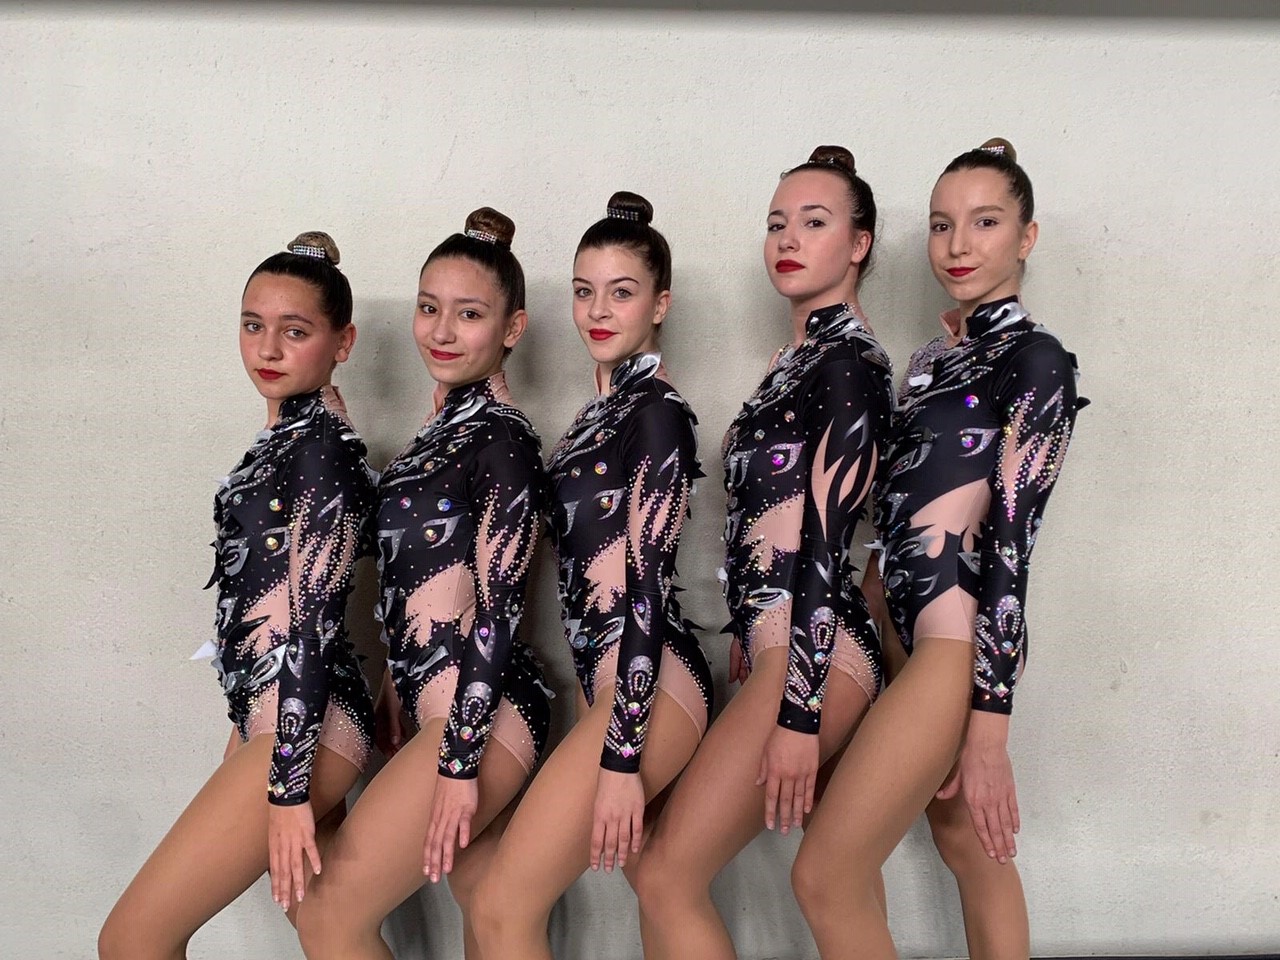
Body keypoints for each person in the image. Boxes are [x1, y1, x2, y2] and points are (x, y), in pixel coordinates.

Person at [795, 138, 1083, 959]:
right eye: (941, 224)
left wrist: (989, 729)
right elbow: (891, 515)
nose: (958, 244)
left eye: (985, 222)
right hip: (891, 631)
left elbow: (1013, 549)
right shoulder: (929, 362)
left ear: (1026, 237)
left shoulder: (1037, 361)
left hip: (957, 645)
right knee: (969, 847)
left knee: (825, 874)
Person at [631, 147, 893, 960]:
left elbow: (825, 541)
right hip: (783, 644)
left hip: (815, 651)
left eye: (814, 223)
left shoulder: (848, 364)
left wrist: (799, 708)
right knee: (834, 891)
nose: (788, 238)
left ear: (859, 244)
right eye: (777, 223)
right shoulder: (797, 364)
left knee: (666, 875)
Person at [99, 232, 377, 959]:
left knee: (133, 939)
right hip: (274, 715)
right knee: (326, 927)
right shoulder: (285, 442)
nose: (268, 348)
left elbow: (312, 625)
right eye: (253, 325)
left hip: (305, 722)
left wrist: (286, 785)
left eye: (296, 331)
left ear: (343, 342)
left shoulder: (322, 451)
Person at [296, 208, 552, 960]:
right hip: (436, 704)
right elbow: (425, 581)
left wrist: (460, 758)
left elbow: (500, 608)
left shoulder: (502, 438)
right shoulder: (437, 435)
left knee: (330, 918)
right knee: (491, 916)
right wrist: (396, 683)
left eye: (469, 314)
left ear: (512, 327)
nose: (441, 331)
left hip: (482, 712)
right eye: (429, 307)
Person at [472, 192, 712, 960]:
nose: (597, 311)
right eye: (584, 291)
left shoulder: (656, 413)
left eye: (622, 292)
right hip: (605, 683)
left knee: (503, 906)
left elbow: (648, 583)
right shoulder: (592, 418)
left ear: (660, 304)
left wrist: (621, 754)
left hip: (649, 684)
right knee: (659, 890)